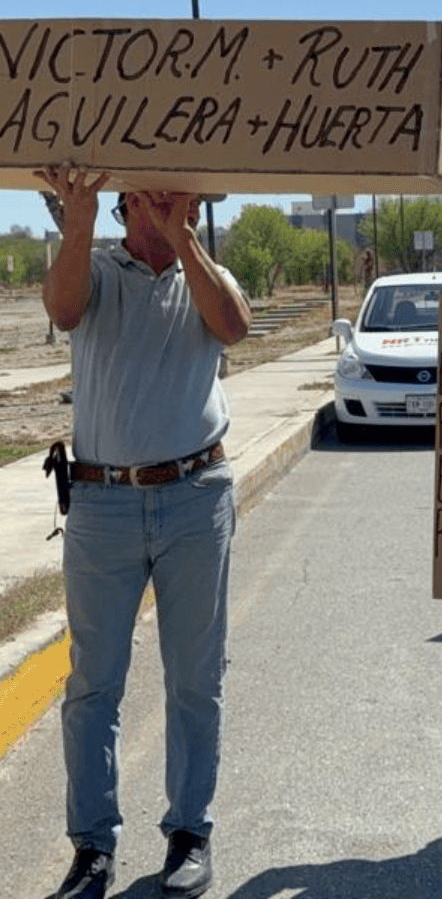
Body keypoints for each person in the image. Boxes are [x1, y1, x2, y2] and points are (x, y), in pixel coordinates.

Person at [38, 166, 252, 899]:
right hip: (103, 504)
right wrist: (77, 217)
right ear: (124, 201)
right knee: (93, 686)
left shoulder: (209, 274)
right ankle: (92, 849)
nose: (163, 203)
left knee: (197, 681)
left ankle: (189, 834)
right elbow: (64, 312)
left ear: (196, 202)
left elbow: (233, 328)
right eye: (150, 194)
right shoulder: (91, 267)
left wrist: (185, 241)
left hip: (196, 496)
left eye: (180, 193)